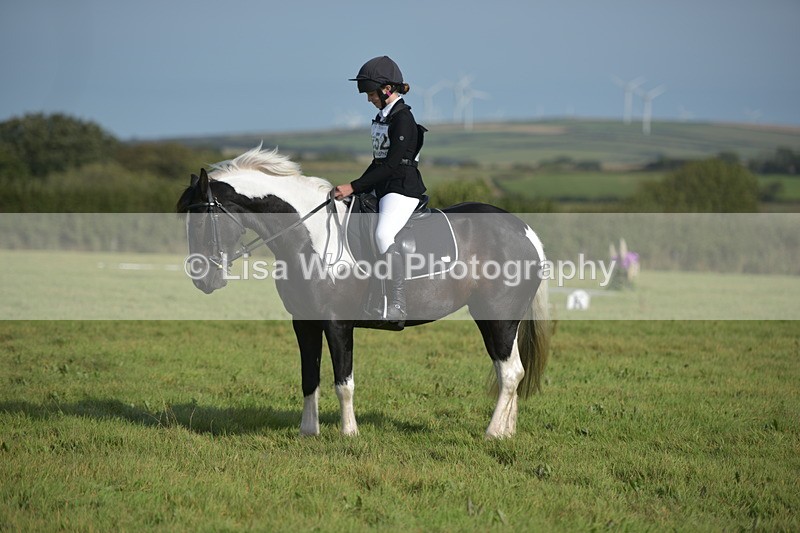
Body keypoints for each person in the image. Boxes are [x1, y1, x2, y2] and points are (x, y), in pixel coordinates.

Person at [334, 56, 427, 329]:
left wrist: (355, 186)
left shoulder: (403, 119)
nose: (368, 99)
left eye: (371, 93)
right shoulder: (382, 117)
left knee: (383, 233)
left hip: (402, 188)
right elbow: (378, 162)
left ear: (387, 89)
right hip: (384, 185)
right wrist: (353, 188)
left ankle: (397, 303)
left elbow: (391, 165)